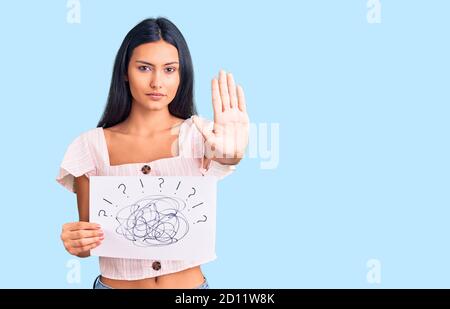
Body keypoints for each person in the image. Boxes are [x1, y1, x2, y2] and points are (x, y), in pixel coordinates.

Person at [56, 17, 249, 289]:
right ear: (125, 71)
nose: (157, 82)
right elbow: (89, 242)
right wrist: (77, 240)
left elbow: (225, 158)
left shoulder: (203, 135)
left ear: (182, 75)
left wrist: (232, 156)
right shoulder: (90, 146)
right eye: (144, 68)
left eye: (170, 69)